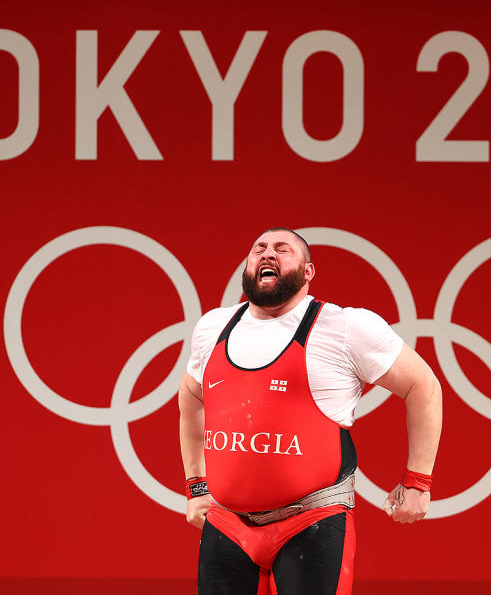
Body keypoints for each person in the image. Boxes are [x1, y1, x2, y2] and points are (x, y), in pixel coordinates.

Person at [178, 227, 442, 595]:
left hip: (312, 522)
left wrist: (418, 482)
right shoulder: (214, 326)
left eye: (282, 249)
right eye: (259, 249)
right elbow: (191, 395)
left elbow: (423, 386)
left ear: (308, 272)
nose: (267, 254)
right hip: (226, 525)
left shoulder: (345, 327)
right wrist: (197, 486)